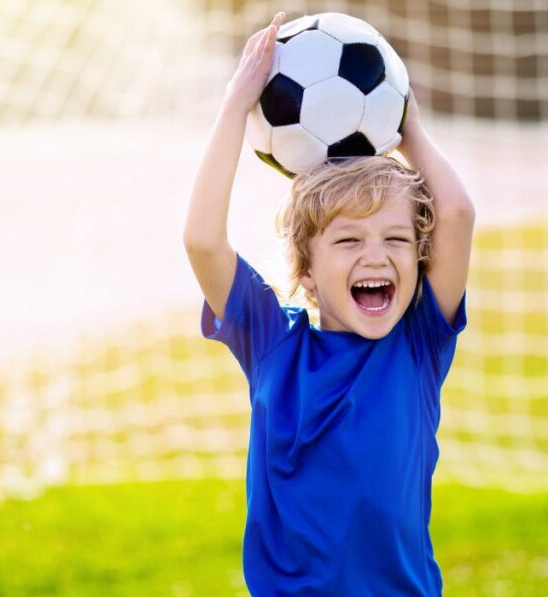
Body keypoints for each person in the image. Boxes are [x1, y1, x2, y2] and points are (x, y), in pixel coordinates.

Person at [183, 12, 475, 595]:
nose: (376, 256)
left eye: (396, 240)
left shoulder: (418, 346)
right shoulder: (272, 344)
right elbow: (203, 240)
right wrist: (235, 108)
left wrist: (407, 120)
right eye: (347, 240)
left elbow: (457, 214)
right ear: (307, 273)